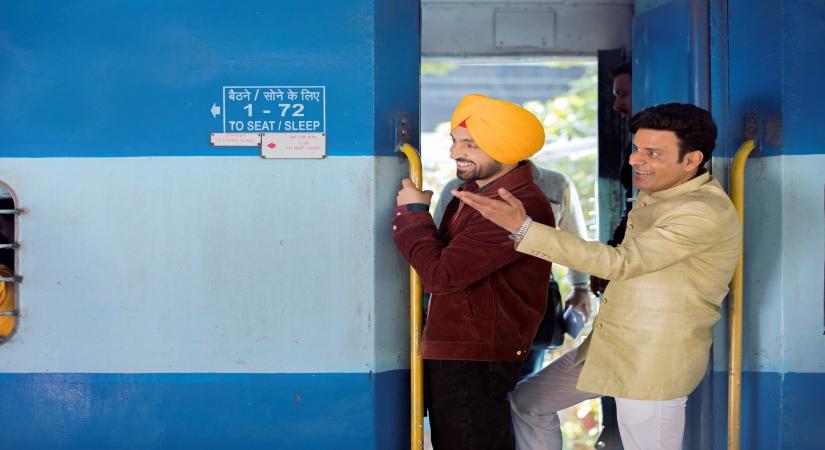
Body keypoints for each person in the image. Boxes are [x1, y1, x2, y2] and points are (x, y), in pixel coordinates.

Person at [453, 103, 741, 450]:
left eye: (652, 153)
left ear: (692, 160)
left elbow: (621, 263)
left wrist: (523, 227)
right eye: (636, 149)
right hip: (609, 348)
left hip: (653, 361)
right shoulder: (660, 193)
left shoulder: (699, 211)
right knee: (528, 402)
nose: (635, 160)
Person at [392, 93, 555, 450]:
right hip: (465, 347)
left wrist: (414, 214)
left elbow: (441, 275)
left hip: (475, 352)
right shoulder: (476, 193)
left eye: (471, 144)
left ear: (507, 148)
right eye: (454, 141)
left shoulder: (514, 206)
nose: (454, 153)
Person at [434, 163, 591, 379]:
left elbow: (574, 241)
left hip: (531, 302)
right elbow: (438, 246)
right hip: (473, 303)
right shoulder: (457, 188)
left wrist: (581, 288)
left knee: (523, 385)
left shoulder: (555, 184)